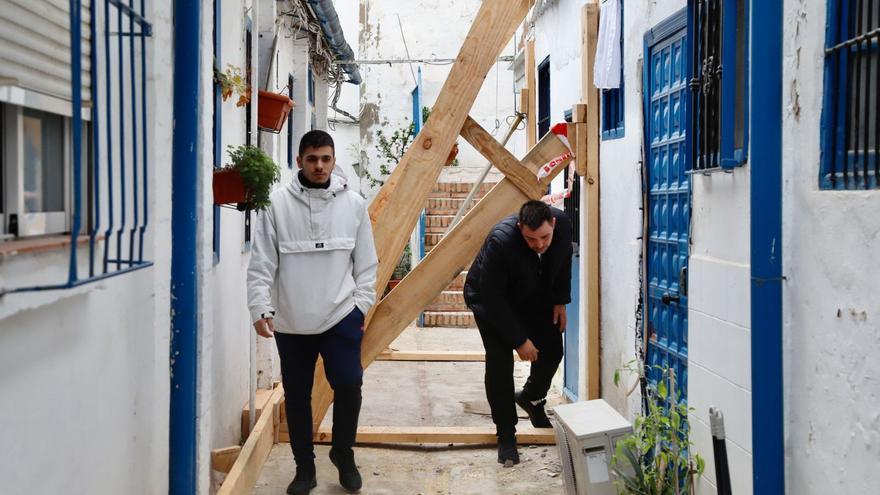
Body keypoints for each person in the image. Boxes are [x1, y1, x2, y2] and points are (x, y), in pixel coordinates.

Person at [248, 130, 378, 494]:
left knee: (349, 383)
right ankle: (304, 468)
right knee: (297, 396)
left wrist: (360, 307)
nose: (319, 165)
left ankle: (343, 453)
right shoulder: (276, 205)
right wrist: (260, 306)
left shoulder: (354, 204)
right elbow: (261, 263)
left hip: (341, 316)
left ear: (334, 161)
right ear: (299, 161)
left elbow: (366, 263)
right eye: (312, 159)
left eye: (325, 158)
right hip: (291, 319)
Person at [464, 200, 572, 466]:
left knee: (553, 350)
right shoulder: (500, 242)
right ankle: (506, 436)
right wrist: (519, 340)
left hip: (531, 296)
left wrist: (560, 301)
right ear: (519, 227)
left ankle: (531, 398)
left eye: (544, 237)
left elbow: (562, 262)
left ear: (554, 224)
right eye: (531, 238)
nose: (539, 244)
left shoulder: (564, 227)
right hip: (489, 301)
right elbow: (493, 299)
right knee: (500, 364)